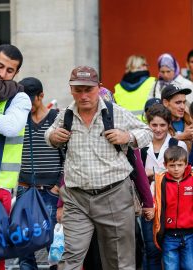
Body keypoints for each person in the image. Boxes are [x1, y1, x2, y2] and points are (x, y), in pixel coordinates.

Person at [45, 65, 153, 270]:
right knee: (69, 260)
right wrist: (52, 136)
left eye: (89, 89)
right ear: (70, 89)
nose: (84, 95)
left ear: (98, 87)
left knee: (120, 262)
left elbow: (146, 132)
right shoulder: (65, 115)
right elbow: (49, 134)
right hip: (76, 198)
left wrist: (127, 137)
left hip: (114, 196)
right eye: (78, 90)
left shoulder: (115, 113)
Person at [17, 77, 64, 270]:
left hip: (50, 192)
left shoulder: (56, 119)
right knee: (24, 248)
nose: (28, 106)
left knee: (53, 248)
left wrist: (57, 188)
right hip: (24, 190)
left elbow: (67, 158)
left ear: (41, 96)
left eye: (31, 101)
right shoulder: (20, 120)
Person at [0, 44, 31, 270]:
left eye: (10, 70)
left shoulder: (20, 98)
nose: (3, 74)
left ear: (16, 73)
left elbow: (10, 126)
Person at [140, 103, 187, 270]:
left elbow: (184, 173)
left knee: (172, 250)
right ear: (148, 125)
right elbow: (136, 176)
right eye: (154, 125)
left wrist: (151, 173)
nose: (158, 129)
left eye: (162, 125)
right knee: (151, 249)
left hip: (173, 205)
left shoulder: (177, 145)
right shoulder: (141, 147)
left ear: (169, 125)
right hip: (149, 205)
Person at [153, 146, 193, 270]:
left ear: (186, 164)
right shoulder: (161, 182)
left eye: (180, 165)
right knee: (170, 267)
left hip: (189, 235)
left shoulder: (192, 180)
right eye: (172, 165)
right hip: (169, 236)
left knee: (189, 266)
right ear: (165, 165)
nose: (176, 169)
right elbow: (155, 201)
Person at [114, 55, 156, 120]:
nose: (147, 67)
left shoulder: (118, 87)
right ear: (141, 66)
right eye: (146, 65)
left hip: (124, 124)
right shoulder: (152, 82)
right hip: (145, 123)